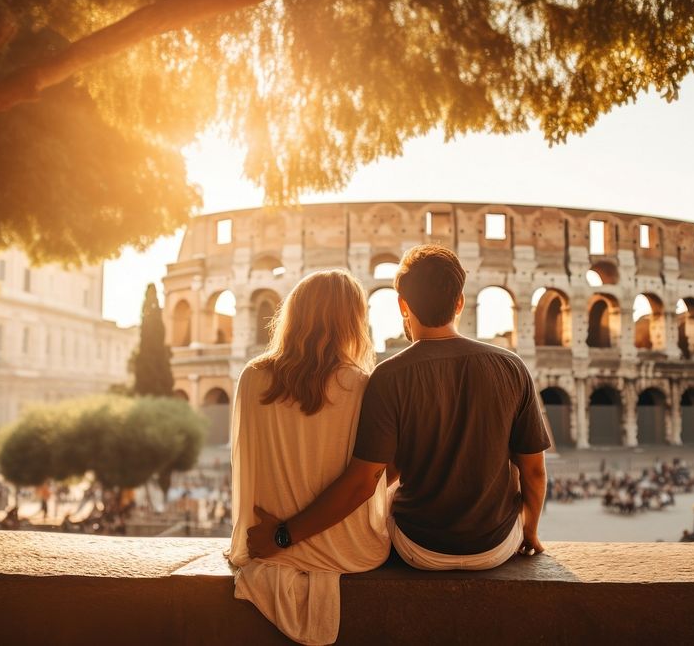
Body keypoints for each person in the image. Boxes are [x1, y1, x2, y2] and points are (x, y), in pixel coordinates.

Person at [247, 245, 551, 574]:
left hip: (419, 549)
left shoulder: (389, 375)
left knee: (384, 500)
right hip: (497, 546)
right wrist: (530, 530)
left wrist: (284, 534)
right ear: (460, 302)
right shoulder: (511, 366)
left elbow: (366, 481)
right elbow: (533, 471)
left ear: (403, 305)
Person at [228, 270, 390, 645]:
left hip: (266, 544)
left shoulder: (252, 377)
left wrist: (267, 536)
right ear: (353, 320)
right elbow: (366, 484)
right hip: (351, 552)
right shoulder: (363, 385)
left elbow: (245, 468)